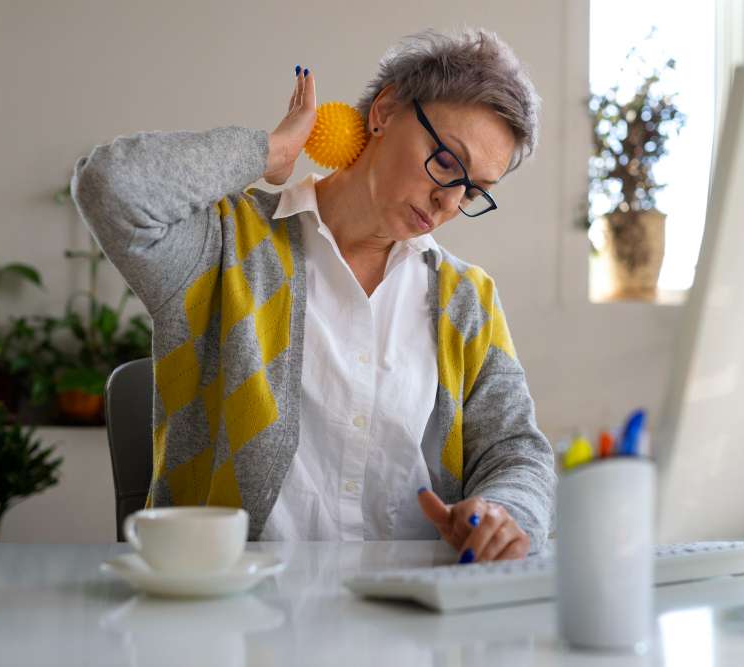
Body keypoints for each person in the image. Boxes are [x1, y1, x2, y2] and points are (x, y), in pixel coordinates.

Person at [72, 27, 556, 563]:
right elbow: (111, 186)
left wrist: (506, 514)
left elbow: (515, 450)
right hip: (239, 615)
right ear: (386, 111)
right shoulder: (226, 245)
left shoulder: (467, 298)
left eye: (475, 189)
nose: (448, 200)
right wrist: (271, 150)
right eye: (446, 161)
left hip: (412, 616)